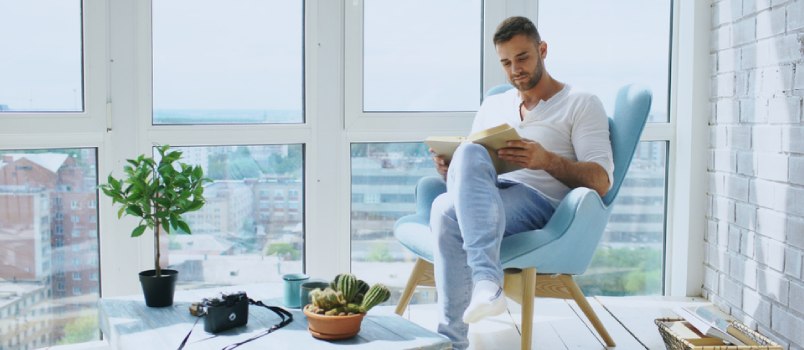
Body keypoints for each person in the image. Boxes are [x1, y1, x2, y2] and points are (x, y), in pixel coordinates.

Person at [429, 16, 613, 349]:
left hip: (540, 203)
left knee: (445, 211)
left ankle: (477, 295)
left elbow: (601, 181)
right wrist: (451, 169)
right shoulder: (494, 104)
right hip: (491, 195)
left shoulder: (581, 103)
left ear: (542, 50)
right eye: (506, 62)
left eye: (523, 57)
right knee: (448, 195)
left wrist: (546, 160)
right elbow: (474, 169)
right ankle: (462, 328)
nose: (515, 69)